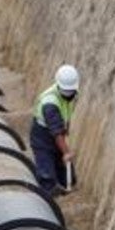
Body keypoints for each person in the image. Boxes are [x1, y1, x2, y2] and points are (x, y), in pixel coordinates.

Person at [31, 64, 80, 197]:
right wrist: (66, 152)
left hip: (55, 133)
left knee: (67, 178)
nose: (68, 95)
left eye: (71, 91)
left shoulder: (72, 94)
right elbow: (56, 133)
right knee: (47, 177)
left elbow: (66, 111)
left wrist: (66, 128)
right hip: (42, 137)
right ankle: (47, 200)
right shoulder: (50, 103)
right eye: (66, 91)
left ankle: (63, 192)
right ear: (58, 86)